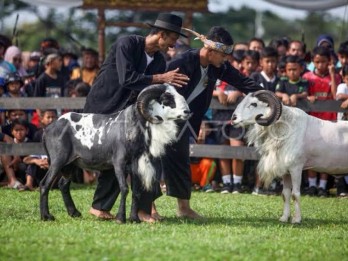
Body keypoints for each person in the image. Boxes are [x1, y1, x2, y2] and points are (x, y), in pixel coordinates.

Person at [83, 13, 190, 222]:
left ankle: (141, 209)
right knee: (114, 157)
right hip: (102, 107)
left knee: (137, 155)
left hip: (129, 112)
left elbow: (151, 90)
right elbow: (127, 78)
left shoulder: (159, 60)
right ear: (161, 34)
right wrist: (161, 79)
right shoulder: (127, 44)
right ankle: (101, 207)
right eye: (172, 38)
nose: (173, 44)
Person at [161, 26, 262, 218]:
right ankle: (149, 208)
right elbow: (161, 91)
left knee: (182, 161)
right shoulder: (183, 61)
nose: (226, 60)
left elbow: (242, 81)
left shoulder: (218, 66)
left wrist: (268, 96)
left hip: (185, 121)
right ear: (212, 50)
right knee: (155, 160)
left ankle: (183, 209)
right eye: (224, 55)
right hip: (164, 118)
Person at [303, 46, 341, 197]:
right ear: (313, 61)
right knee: (311, 153)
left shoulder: (335, 77)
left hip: (329, 121)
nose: (320, 65)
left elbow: (336, 96)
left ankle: (323, 186)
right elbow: (303, 93)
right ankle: (312, 185)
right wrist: (307, 97)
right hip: (312, 121)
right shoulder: (307, 77)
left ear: (329, 62)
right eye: (317, 62)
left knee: (325, 154)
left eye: (324, 62)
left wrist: (332, 75)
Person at [20, 110, 58, 191]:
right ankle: (28, 185)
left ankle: (47, 186)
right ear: (42, 119)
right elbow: (27, 159)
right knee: (32, 164)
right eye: (48, 117)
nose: (51, 120)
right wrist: (37, 161)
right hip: (40, 166)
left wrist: (50, 162)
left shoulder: (60, 134)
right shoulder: (38, 135)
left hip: (53, 167)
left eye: (53, 117)